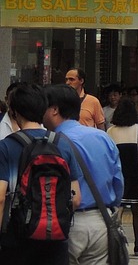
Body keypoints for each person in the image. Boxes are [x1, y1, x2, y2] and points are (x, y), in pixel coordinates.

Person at [0, 83, 83, 265]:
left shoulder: (5, 146)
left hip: (16, 241)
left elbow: (0, 198)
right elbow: (76, 199)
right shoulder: (62, 144)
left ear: (15, 112)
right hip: (56, 242)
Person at [45, 84, 123, 265]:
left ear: (54, 110)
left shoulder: (52, 143)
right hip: (102, 220)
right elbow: (118, 182)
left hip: (66, 223)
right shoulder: (103, 137)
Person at [107, 98, 138, 255]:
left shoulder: (111, 131)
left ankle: (118, 243)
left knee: (118, 209)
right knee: (136, 210)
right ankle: (137, 244)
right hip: (136, 174)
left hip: (118, 174)